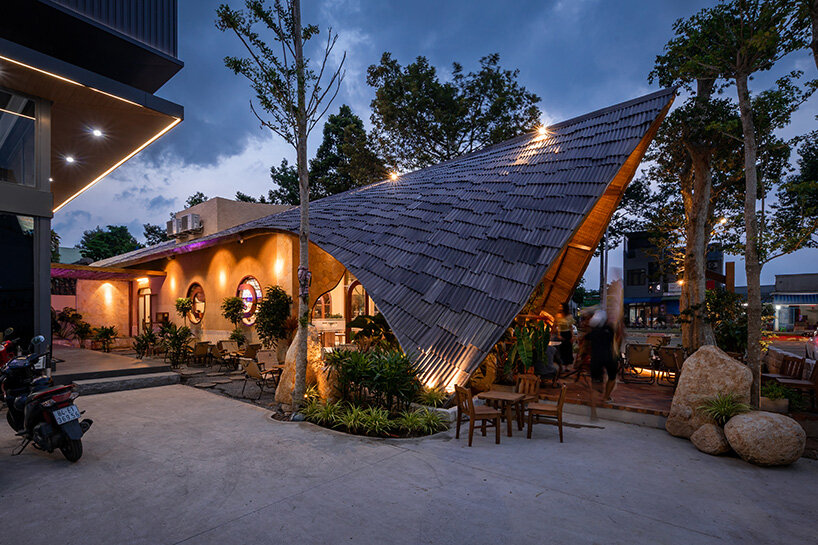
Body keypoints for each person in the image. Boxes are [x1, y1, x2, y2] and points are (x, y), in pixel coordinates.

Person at [587, 310, 618, 402]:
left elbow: (586, 345)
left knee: (595, 379)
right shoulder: (610, 330)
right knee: (612, 377)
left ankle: (595, 397)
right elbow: (614, 341)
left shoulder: (592, 332)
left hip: (596, 357)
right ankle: (606, 397)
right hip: (609, 356)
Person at [556, 302, 575, 368]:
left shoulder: (569, 316)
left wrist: (572, 336)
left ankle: (567, 366)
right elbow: (558, 326)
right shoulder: (558, 316)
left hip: (568, 333)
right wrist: (559, 335)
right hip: (562, 333)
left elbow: (571, 327)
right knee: (562, 349)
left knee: (568, 349)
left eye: (561, 307)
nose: (560, 308)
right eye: (559, 307)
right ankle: (562, 366)